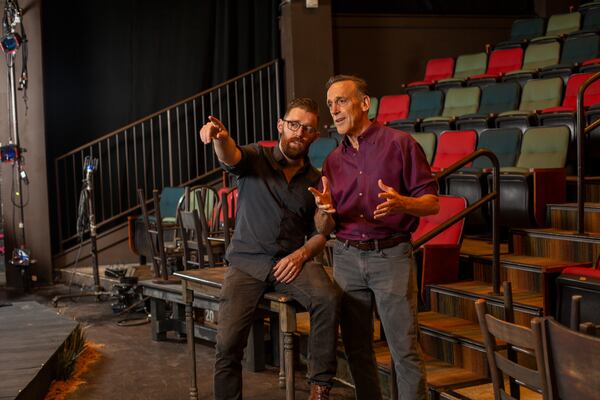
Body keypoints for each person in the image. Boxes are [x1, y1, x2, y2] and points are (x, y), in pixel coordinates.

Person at [199, 97, 340, 400]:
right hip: (247, 263)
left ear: (315, 136)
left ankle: (319, 388)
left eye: (307, 129)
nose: (299, 133)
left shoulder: (316, 180)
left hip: (290, 263)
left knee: (327, 298)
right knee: (227, 344)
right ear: (281, 125)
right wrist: (220, 139)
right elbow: (230, 156)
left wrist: (317, 227)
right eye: (294, 125)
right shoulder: (255, 157)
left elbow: (321, 234)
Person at [309, 75, 439, 400]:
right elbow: (325, 227)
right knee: (356, 350)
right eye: (330, 105)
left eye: (341, 101)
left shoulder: (400, 144)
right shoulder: (333, 161)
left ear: (364, 103)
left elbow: (432, 202)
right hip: (347, 257)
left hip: (391, 257)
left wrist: (403, 203)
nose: (334, 111)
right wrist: (324, 210)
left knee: (404, 350)